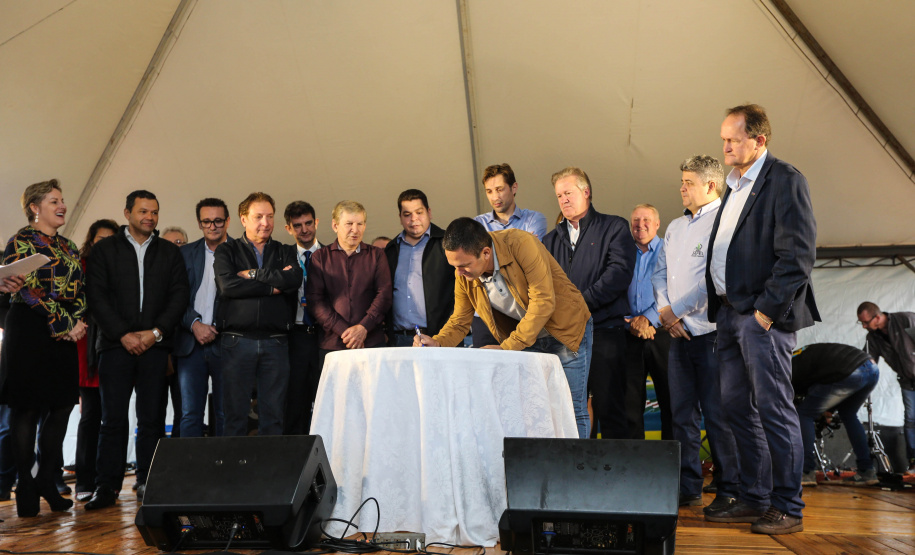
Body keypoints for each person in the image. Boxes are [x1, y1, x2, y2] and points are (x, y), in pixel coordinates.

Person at [704, 104, 818, 535]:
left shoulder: (784, 180)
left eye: (733, 139)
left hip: (760, 318)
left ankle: (788, 505)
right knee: (736, 408)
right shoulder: (733, 186)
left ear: (759, 140)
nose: (726, 146)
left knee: (774, 409)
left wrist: (765, 314)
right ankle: (756, 496)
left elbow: (797, 256)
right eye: (723, 139)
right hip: (730, 316)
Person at [416, 218, 594, 439]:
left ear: (486, 253)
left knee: (570, 407)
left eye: (464, 265)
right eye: (454, 266)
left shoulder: (521, 244)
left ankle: (577, 471)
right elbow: (461, 319)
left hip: (566, 331)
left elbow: (543, 302)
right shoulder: (462, 272)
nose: (459, 273)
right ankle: (545, 469)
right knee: (534, 412)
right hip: (526, 338)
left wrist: (507, 348)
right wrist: (438, 341)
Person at [85, 190, 189, 509]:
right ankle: (107, 487)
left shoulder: (170, 253)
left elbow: (179, 296)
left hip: (155, 348)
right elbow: (96, 297)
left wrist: (155, 333)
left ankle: (148, 481)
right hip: (116, 348)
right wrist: (124, 335)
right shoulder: (104, 250)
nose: (150, 217)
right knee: (112, 420)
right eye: (143, 211)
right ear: (127, 213)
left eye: (154, 212)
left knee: (152, 420)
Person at [652, 155, 739, 511]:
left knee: (718, 414)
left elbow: (717, 281)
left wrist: (678, 311)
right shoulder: (674, 227)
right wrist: (664, 312)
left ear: (711, 185)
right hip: (676, 334)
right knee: (681, 414)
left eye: (689, 182)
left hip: (711, 334)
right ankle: (688, 485)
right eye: (682, 181)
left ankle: (729, 486)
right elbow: (659, 273)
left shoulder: (725, 222)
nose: (682, 188)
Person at [1, 179, 86, 517]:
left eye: (62, 200)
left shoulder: (69, 245)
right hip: (30, 330)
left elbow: (80, 290)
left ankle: (46, 479)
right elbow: (26, 290)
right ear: (35, 207)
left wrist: (75, 322)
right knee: (27, 409)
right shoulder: (20, 241)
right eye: (54, 200)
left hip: (64, 331)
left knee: (63, 405)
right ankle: (25, 482)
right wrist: (64, 324)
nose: (62, 205)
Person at [542, 167, 634, 440]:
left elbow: (618, 273)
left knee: (611, 410)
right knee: (570, 412)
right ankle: (579, 476)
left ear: (586, 192)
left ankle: (619, 479)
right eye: (559, 195)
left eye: (568, 192)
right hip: (566, 338)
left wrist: (579, 304)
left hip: (605, 332)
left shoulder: (614, 227)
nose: (564, 200)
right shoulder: (549, 240)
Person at [214, 193, 301, 437]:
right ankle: (234, 474)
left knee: (273, 416)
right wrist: (273, 285)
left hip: (276, 341)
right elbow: (228, 286)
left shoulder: (285, 250)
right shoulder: (226, 251)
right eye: (258, 217)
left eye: (270, 216)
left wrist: (252, 274)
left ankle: (270, 474)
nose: (265, 222)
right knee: (235, 415)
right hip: (236, 340)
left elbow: (293, 279)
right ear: (243, 219)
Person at [472, 163, 548, 347]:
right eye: (489, 191)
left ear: (514, 188)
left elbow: (529, 256)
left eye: (499, 189)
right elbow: (477, 261)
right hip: (487, 313)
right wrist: (519, 244)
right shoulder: (477, 223)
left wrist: (490, 250)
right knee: (486, 372)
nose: (495, 197)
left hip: (522, 310)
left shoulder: (535, 219)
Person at [173, 199, 231, 438]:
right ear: (199, 223)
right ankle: (191, 474)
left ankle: (225, 473)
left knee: (226, 413)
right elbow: (175, 298)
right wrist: (195, 324)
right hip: (190, 343)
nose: (213, 226)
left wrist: (217, 326)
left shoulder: (240, 252)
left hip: (227, 343)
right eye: (207, 221)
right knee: (189, 414)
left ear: (227, 221)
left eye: (218, 220)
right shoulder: (185, 253)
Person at [308, 201, 392, 359]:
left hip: (371, 343)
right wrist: (346, 332)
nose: (355, 230)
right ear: (335, 226)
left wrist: (363, 328)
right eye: (349, 224)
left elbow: (384, 295)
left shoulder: (377, 255)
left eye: (360, 223)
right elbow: (316, 301)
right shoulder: (320, 257)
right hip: (333, 345)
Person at [74, 219, 119, 502]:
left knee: (113, 418)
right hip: (86, 348)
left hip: (115, 347)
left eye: (110, 240)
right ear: (91, 241)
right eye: (100, 239)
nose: (104, 245)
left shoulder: (123, 268)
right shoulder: (79, 267)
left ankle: (109, 481)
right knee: (90, 416)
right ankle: (84, 480)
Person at [791, 343, 880, 486]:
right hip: (871, 368)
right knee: (849, 414)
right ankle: (867, 471)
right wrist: (829, 411)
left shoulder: (788, 371)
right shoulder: (798, 357)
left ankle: (806, 472)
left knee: (804, 415)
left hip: (847, 372)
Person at [383, 189, 455, 346]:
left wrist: (446, 335)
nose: (413, 219)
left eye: (419, 212)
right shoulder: (391, 249)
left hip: (439, 337)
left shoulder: (447, 243)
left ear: (429, 212)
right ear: (400, 218)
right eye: (407, 214)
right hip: (399, 339)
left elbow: (461, 292)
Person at [625, 204, 672, 440]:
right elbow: (613, 288)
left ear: (657, 224)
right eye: (635, 220)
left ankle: (671, 468)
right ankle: (636, 469)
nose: (640, 224)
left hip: (663, 333)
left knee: (670, 402)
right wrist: (632, 323)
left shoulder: (670, 249)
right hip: (629, 334)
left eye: (646, 220)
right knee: (629, 405)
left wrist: (649, 320)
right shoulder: (621, 251)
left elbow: (675, 290)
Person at [856, 301, 915, 474]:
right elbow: (868, 361)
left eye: (866, 322)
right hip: (907, 381)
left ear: (878, 317)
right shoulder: (872, 337)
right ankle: (913, 462)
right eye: (862, 323)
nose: (864, 326)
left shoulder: (907, 320)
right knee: (911, 421)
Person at [282, 200, 323, 434]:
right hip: (294, 336)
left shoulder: (330, 255)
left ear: (316, 223)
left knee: (324, 399)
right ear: (289, 228)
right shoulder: (281, 256)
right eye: (297, 225)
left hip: (323, 335)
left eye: (308, 223)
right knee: (294, 403)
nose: (304, 229)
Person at [160, 226, 188, 439]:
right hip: (159, 350)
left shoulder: (193, 271)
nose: (175, 248)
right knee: (154, 411)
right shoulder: (154, 275)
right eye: (170, 244)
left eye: (180, 243)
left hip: (186, 351)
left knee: (185, 410)